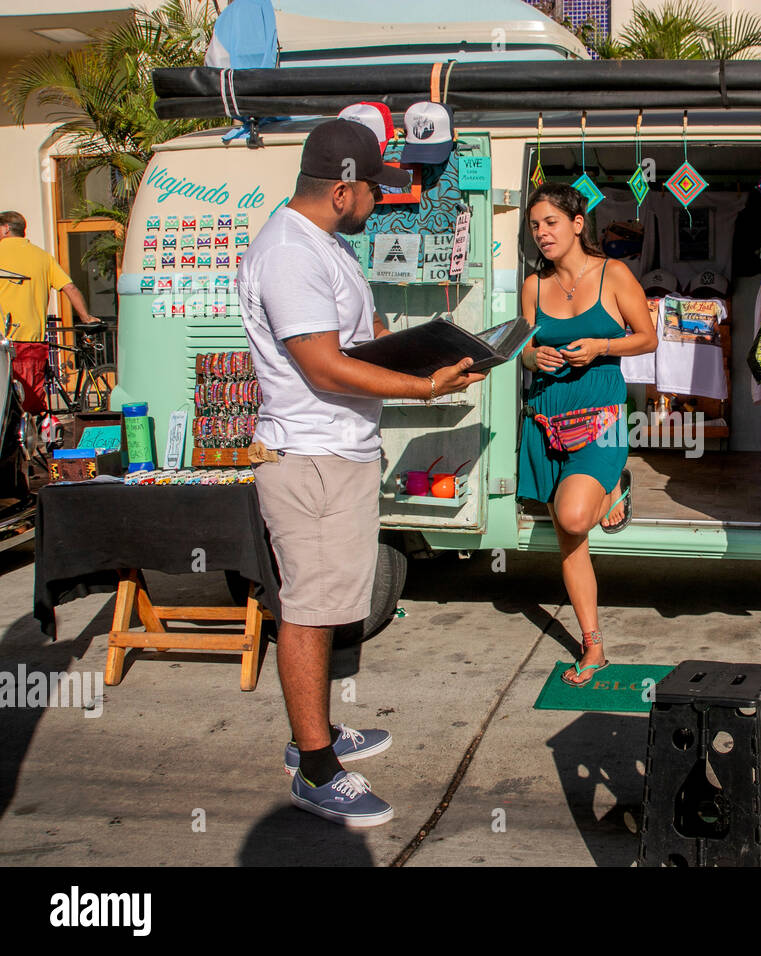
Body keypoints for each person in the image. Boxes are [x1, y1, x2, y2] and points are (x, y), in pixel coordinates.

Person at [238, 118, 484, 827]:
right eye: (375, 186)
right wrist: (425, 388)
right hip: (309, 455)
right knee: (311, 611)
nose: (382, 198)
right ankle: (315, 768)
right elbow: (322, 365)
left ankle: (314, 732)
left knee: (333, 603)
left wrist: (427, 349)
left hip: (339, 452)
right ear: (343, 187)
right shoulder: (288, 252)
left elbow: (360, 343)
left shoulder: (328, 245)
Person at [518, 183, 657, 686]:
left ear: (577, 224)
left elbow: (648, 336)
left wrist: (602, 346)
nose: (542, 234)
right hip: (546, 422)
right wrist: (537, 356)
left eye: (550, 223)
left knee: (575, 515)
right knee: (570, 542)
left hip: (599, 418)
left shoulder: (614, 274)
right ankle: (593, 647)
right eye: (535, 226)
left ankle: (615, 482)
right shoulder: (534, 286)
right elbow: (524, 348)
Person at [0, 211, 100, 413]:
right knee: (31, 403)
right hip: (32, 342)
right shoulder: (43, 257)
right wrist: (86, 318)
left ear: (5, 229)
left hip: (4, 341)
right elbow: (70, 288)